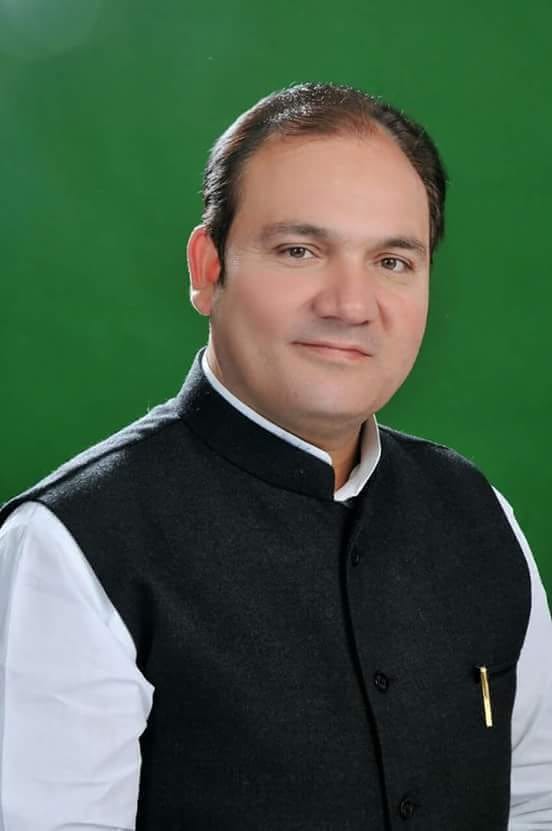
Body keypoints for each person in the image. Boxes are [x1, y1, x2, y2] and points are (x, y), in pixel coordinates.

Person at [0, 82, 550, 831]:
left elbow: (536, 802)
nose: (350, 305)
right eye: (300, 251)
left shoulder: (479, 513)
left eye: (393, 261)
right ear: (208, 268)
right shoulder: (70, 547)